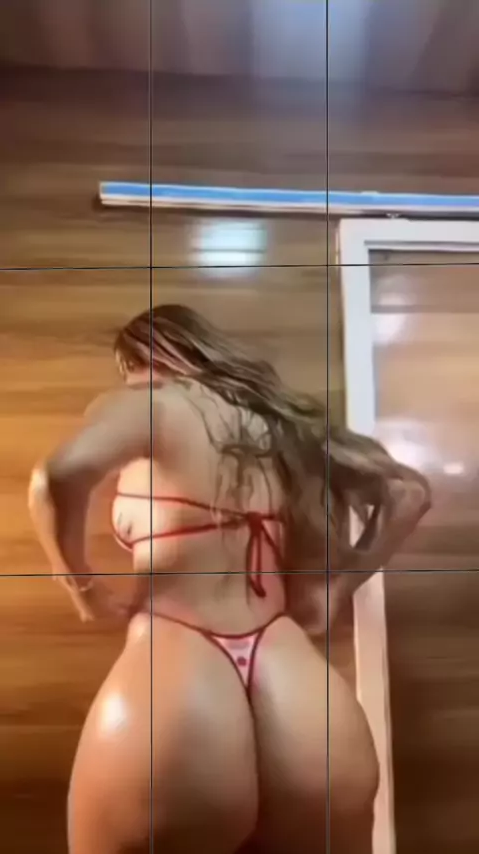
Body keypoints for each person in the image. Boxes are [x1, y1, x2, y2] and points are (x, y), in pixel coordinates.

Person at [28, 304, 431, 854]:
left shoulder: (151, 405)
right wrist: (341, 585)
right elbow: (409, 492)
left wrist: (83, 588)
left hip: (180, 670)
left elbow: (55, 478)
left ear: (147, 359)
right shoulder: (282, 424)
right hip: (293, 679)